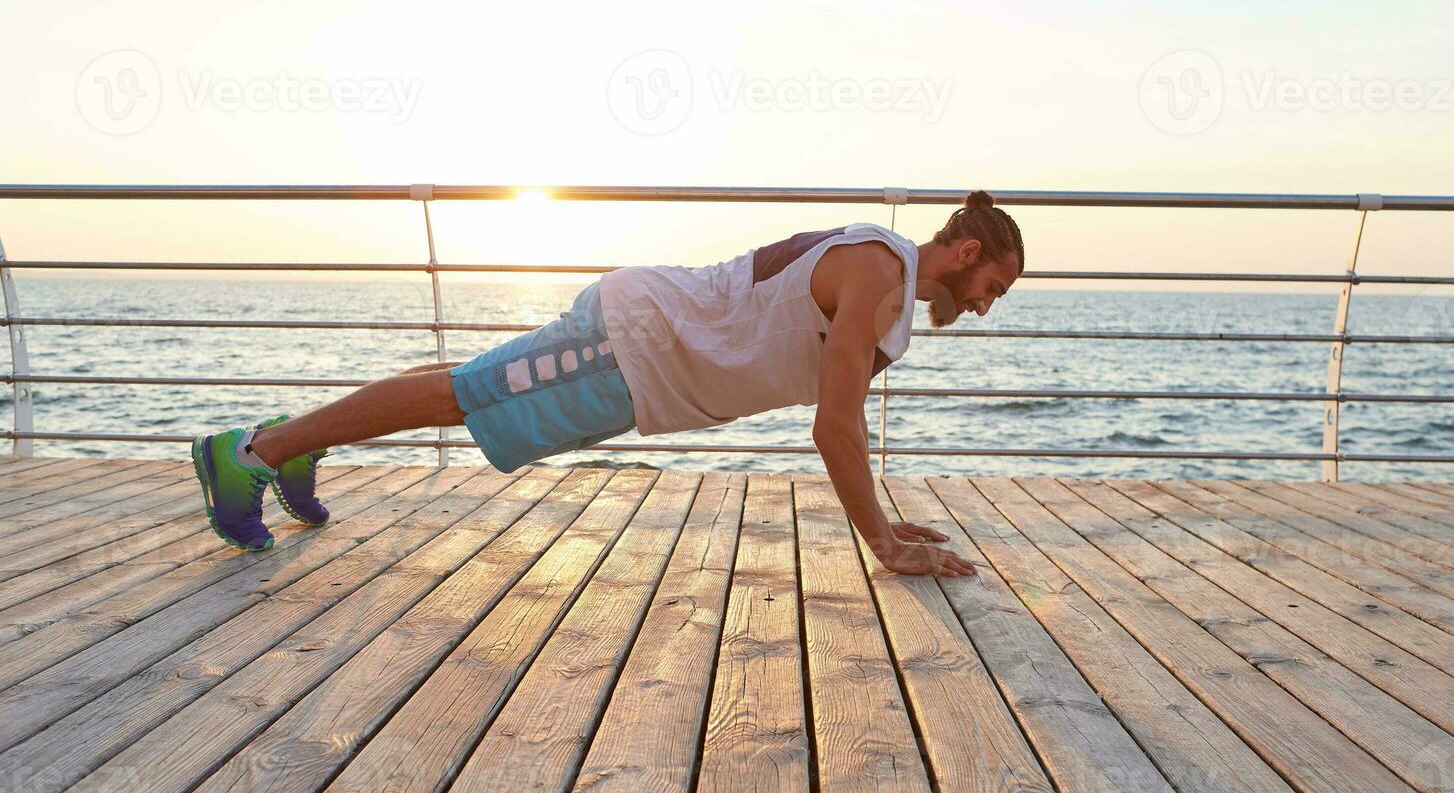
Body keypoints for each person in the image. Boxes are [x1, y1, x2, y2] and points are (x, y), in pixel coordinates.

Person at [191, 190, 1024, 577]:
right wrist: (880, 541)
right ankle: (252, 455)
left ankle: (293, 439)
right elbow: (834, 426)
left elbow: (838, 420)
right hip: (638, 344)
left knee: (470, 386)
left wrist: (884, 517)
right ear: (967, 252)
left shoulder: (883, 278)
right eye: (994, 288)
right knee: (467, 395)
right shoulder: (880, 272)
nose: (986, 310)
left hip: (643, 363)